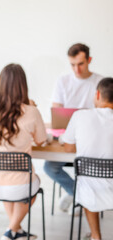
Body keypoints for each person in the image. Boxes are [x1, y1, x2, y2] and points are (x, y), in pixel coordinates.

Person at [0, 64, 47, 240]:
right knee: (32, 183)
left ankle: (15, 230)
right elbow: (42, 141)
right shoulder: (32, 111)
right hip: (18, 186)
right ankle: (10, 230)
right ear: (23, 86)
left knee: (7, 176)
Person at [44, 43, 104, 212]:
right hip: (68, 137)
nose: (76, 69)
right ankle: (77, 193)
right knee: (49, 167)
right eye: (72, 65)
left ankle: (78, 197)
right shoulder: (63, 81)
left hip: (91, 140)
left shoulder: (100, 83)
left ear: (89, 60)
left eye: (80, 64)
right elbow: (56, 112)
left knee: (88, 168)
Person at [62, 77, 113, 240]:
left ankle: (96, 236)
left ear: (97, 94)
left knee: (87, 182)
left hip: (90, 192)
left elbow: (69, 147)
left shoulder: (80, 116)